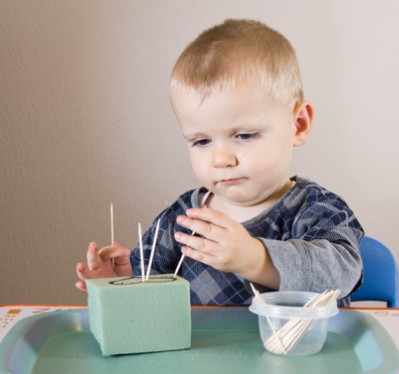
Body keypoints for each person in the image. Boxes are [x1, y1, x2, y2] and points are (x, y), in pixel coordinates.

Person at [76, 19, 364, 307]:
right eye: (202, 141)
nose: (221, 159)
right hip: (201, 353)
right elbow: (150, 300)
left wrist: (256, 259)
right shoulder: (182, 220)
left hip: (303, 352)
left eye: (244, 135)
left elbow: (343, 273)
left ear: (298, 125)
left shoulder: (316, 209)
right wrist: (121, 281)